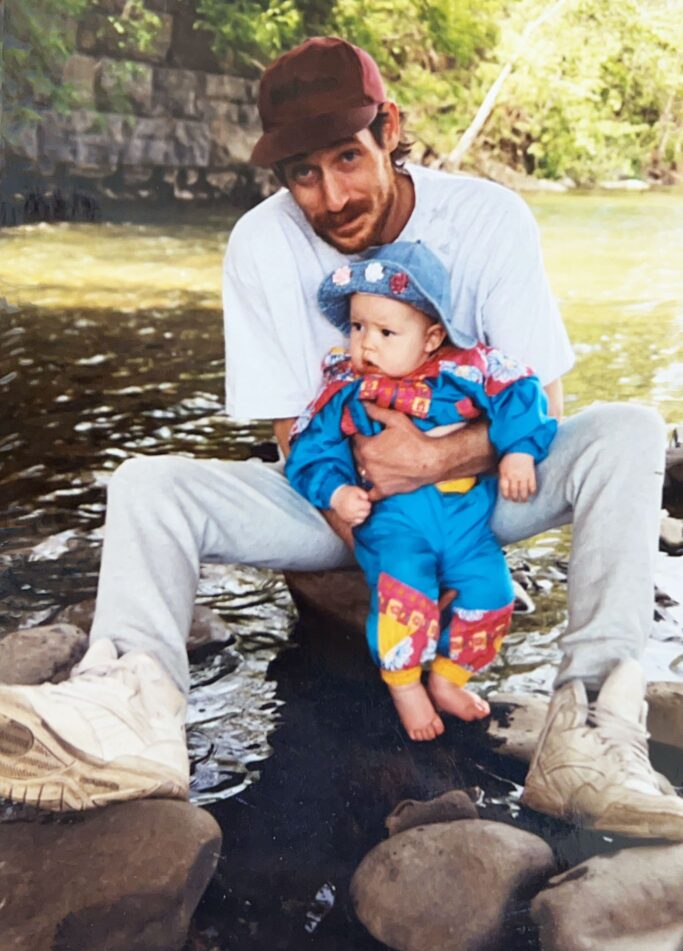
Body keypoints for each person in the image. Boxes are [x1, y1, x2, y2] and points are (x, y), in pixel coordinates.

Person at [0, 36, 679, 839]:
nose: (330, 195)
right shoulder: (261, 243)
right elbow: (296, 437)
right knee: (149, 483)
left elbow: (542, 402)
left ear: (388, 129)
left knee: (628, 431)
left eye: (347, 158)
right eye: (302, 174)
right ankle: (133, 712)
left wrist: (434, 460)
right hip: (349, 507)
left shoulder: (486, 218)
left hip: (486, 493)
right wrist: (392, 557)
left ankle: (590, 729)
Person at [285, 240, 557, 740]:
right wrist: (336, 492)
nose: (367, 344)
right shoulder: (348, 390)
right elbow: (307, 450)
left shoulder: (467, 373)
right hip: (394, 527)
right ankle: (405, 685)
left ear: (431, 338)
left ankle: (450, 677)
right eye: (358, 328)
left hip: (467, 524)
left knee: (493, 596)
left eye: (387, 332)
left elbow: (523, 392)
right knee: (404, 598)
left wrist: (519, 450)